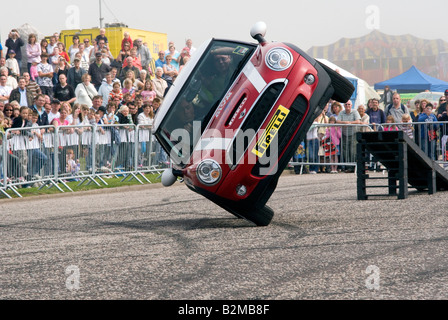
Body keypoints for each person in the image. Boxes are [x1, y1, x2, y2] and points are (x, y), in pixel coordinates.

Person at [336, 100, 361, 172]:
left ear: (351, 105)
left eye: (349, 104)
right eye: (346, 104)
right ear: (344, 106)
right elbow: (337, 121)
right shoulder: (341, 112)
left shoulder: (355, 112)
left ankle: (353, 167)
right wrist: (344, 122)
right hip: (344, 134)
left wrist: (349, 123)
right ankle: (347, 167)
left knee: (352, 151)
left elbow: (358, 121)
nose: (347, 106)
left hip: (353, 134)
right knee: (345, 151)